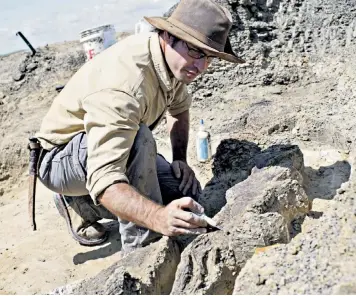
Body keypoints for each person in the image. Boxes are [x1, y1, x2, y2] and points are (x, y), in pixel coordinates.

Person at [35, 0, 244, 252]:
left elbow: (179, 109)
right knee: (140, 147)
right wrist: (158, 218)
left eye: (209, 57)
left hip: (113, 146)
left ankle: (86, 203)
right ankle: (139, 250)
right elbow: (106, 176)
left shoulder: (173, 63)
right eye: (196, 52)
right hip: (59, 160)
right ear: (168, 36)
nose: (201, 66)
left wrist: (180, 160)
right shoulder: (124, 86)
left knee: (183, 198)